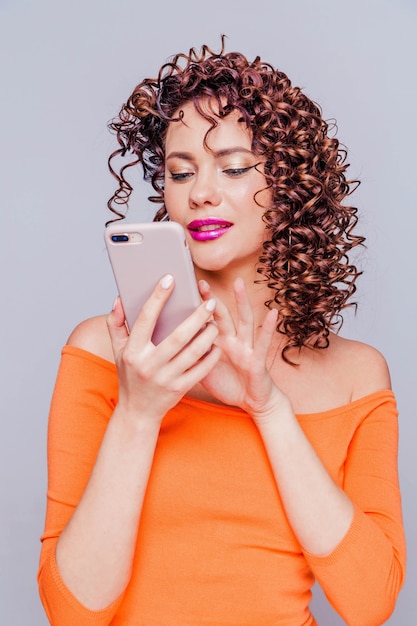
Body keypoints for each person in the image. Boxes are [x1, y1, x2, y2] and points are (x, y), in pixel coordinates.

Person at [38, 40, 406, 626]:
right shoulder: (107, 352)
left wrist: (271, 411)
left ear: (290, 186)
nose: (199, 191)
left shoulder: (357, 376)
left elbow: (370, 604)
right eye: (180, 172)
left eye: (233, 168)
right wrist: (138, 413)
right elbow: (72, 612)